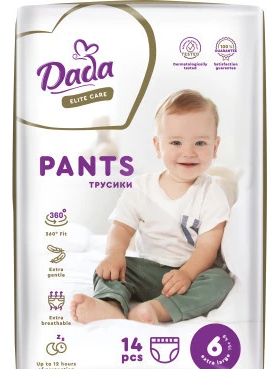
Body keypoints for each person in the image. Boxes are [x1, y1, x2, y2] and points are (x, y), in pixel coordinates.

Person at [70, 89, 234, 324]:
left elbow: (208, 246)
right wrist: (114, 255)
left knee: (220, 281)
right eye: (176, 142)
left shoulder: (212, 194)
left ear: (215, 147)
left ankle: (157, 309)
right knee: (109, 269)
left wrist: (187, 273)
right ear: (158, 146)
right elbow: (122, 227)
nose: (188, 152)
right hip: (149, 270)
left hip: (192, 274)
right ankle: (110, 305)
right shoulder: (141, 188)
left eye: (200, 142)